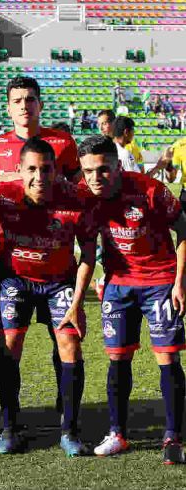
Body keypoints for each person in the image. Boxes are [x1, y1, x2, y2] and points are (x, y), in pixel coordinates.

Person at [0, 75, 81, 417]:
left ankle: (65, 410)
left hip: (57, 260)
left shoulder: (63, 143)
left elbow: (79, 188)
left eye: (30, 99)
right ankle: (9, 419)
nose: (24, 106)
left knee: (61, 338)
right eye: (17, 100)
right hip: (13, 263)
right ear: (8, 107)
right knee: (9, 341)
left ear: (40, 104)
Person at [0, 137, 97, 457]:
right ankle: (9, 427)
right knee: (10, 344)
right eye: (31, 169)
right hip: (15, 280)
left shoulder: (75, 200)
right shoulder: (3, 194)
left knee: (70, 344)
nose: (39, 177)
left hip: (60, 282)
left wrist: (78, 303)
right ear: (19, 170)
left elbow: (89, 254)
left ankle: (70, 431)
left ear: (57, 171)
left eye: (46, 170)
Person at [78, 135, 186, 465]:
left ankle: (173, 436)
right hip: (118, 287)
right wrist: (96, 281)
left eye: (104, 170)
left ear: (117, 166)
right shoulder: (85, 197)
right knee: (117, 359)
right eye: (88, 171)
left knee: (167, 359)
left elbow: (184, 229)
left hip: (160, 283)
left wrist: (180, 281)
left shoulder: (149, 190)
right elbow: (84, 247)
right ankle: (117, 433)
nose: (96, 178)